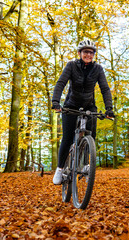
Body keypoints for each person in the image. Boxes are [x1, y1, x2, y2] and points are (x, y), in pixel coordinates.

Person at [51, 39, 114, 185]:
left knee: (91, 134)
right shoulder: (71, 66)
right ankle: (60, 169)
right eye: (85, 52)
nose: (88, 55)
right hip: (71, 106)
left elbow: (105, 89)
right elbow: (61, 83)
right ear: (79, 53)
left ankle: (86, 163)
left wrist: (109, 108)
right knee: (67, 138)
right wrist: (56, 102)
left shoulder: (98, 69)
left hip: (89, 107)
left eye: (91, 52)